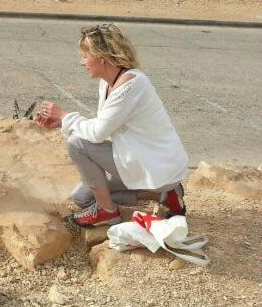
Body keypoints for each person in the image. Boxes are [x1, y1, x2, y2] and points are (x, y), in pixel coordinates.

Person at [35, 23, 188, 228]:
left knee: (76, 144)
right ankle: (163, 194)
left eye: (85, 56)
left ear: (101, 57)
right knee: (81, 198)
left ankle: (107, 212)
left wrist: (65, 116)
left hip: (156, 164)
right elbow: (104, 126)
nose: (82, 62)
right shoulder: (108, 83)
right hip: (140, 160)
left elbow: (98, 133)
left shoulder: (132, 84)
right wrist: (62, 122)